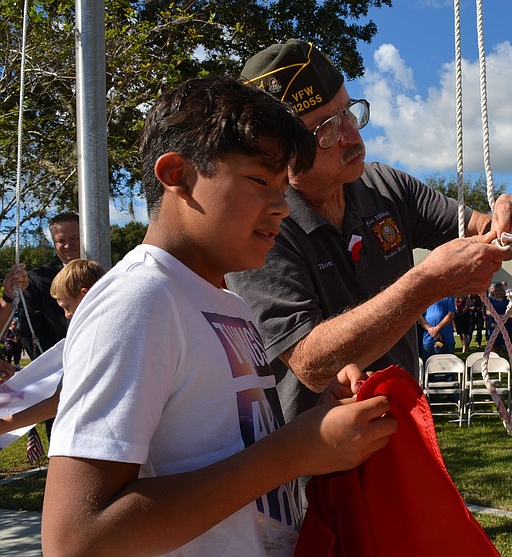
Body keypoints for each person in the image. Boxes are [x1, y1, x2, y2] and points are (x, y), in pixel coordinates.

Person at [43, 76, 397, 556]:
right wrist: (292, 453)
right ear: (177, 175)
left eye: (282, 185)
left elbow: (230, 451)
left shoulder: (228, 303)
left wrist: (319, 421)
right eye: (258, 181)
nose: (281, 208)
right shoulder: (139, 300)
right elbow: (75, 539)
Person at [226, 39, 512, 423]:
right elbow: (310, 362)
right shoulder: (261, 226)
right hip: (315, 468)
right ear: (284, 152)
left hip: (406, 438)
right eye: (327, 129)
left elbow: (481, 228)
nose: (353, 136)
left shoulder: (385, 186)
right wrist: (427, 284)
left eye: (349, 112)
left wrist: (511, 219)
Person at [0, 259, 106, 436]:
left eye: (66, 307)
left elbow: (61, 400)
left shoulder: (94, 338)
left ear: (84, 294)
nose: (67, 315)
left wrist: (5, 425)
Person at [18, 212, 80, 360]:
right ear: (54, 243)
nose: (68, 245)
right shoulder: (37, 279)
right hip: (59, 368)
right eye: (61, 240)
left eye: (75, 238)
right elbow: (30, 331)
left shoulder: (109, 272)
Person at [419, 297, 456, 362]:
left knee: (448, 367)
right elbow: (419, 317)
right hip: (428, 339)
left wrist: (437, 329)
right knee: (428, 366)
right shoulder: (425, 297)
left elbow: (450, 315)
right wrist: (429, 329)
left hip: (446, 339)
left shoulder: (449, 296)